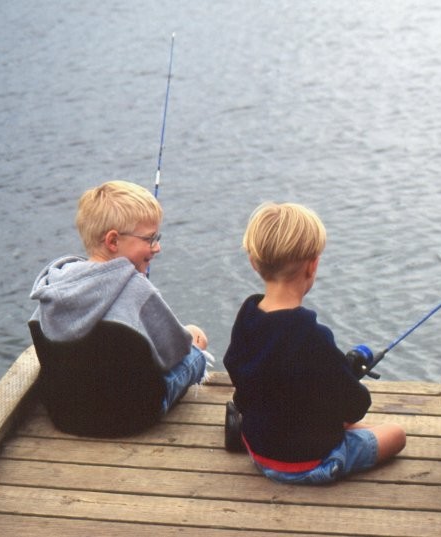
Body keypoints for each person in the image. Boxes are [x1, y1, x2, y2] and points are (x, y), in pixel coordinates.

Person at [223, 202, 406, 485]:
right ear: (313, 265)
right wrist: (348, 378)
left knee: (332, 419)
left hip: (259, 451)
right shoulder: (312, 336)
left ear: (254, 262)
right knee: (396, 434)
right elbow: (355, 406)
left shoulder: (247, 316)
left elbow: (237, 368)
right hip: (310, 463)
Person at [30, 180, 212, 420]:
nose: (157, 248)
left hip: (67, 414)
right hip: (133, 416)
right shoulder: (138, 291)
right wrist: (190, 337)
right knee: (196, 345)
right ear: (113, 241)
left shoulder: (54, 286)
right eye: (150, 239)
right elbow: (174, 352)